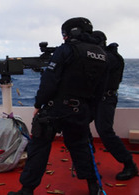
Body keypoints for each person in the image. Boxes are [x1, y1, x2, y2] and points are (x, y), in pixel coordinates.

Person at [8, 17, 108, 195]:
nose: (64, 38)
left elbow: (50, 81)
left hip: (56, 110)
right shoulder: (102, 54)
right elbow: (100, 89)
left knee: (39, 147)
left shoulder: (67, 50)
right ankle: (94, 186)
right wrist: (90, 111)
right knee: (81, 147)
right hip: (81, 110)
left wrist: (39, 103)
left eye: (65, 34)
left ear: (72, 32)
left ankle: (27, 190)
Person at [91, 30, 138, 180]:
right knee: (80, 126)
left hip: (106, 99)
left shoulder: (112, 57)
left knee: (105, 132)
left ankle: (129, 164)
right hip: (95, 98)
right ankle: (87, 158)